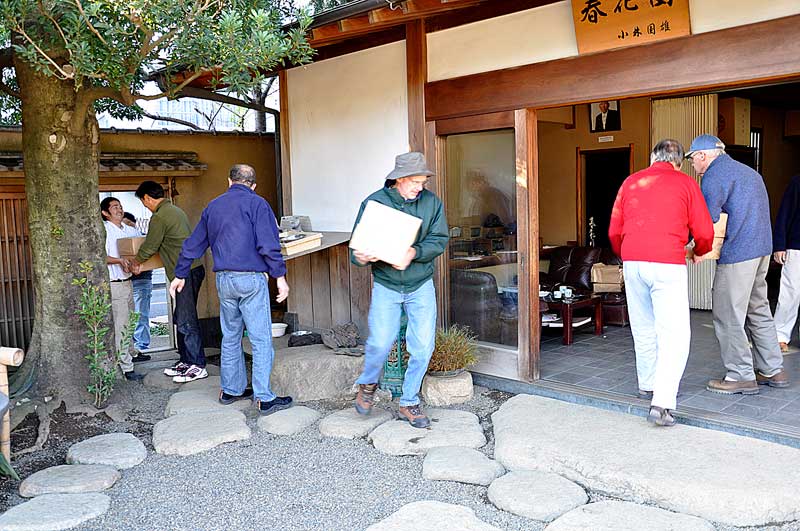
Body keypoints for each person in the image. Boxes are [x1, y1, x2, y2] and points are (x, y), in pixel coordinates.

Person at [170, 165, 292, 416]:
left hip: (224, 280)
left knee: (231, 336)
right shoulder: (258, 205)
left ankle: (231, 390)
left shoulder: (213, 206)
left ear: (229, 181)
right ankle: (264, 397)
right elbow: (269, 245)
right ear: (253, 185)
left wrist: (180, 273)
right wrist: (280, 277)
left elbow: (194, 244)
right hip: (250, 279)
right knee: (260, 339)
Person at [608, 139, 714, 426]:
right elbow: (704, 230)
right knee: (674, 333)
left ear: (653, 157)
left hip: (633, 261)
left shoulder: (631, 182)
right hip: (667, 262)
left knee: (643, 326)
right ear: (678, 161)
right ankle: (663, 403)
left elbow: (614, 229)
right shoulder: (685, 183)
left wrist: (627, 254)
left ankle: (647, 383)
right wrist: (700, 251)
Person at [351, 152, 449, 428]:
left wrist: (414, 251)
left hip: (420, 284)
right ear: (399, 180)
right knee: (380, 343)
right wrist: (362, 256)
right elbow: (355, 252)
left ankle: (408, 402)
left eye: (423, 182)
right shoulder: (375, 203)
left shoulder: (431, 203)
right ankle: (368, 383)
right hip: (387, 284)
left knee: (423, 346)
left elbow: (440, 239)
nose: (420, 187)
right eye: (415, 182)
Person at [689, 134, 789, 394]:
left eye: (692, 159)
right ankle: (772, 369)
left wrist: (693, 246)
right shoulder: (749, 173)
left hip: (738, 253)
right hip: (761, 251)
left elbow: (707, 218)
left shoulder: (714, 175)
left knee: (727, 313)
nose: (692, 165)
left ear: (703, 155)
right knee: (758, 309)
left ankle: (740, 374)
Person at [133, 181, 207, 383]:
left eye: (143, 202)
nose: (145, 206)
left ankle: (197, 365)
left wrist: (136, 262)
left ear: (147, 198)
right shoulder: (175, 210)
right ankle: (186, 360)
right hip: (191, 269)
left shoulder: (160, 217)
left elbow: (150, 245)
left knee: (186, 319)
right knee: (181, 316)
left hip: (184, 273)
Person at [100, 197, 145, 381]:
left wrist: (137, 264)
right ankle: (126, 367)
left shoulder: (129, 229)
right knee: (121, 325)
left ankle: (132, 352)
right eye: (114, 207)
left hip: (127, 281)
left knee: (132, 319)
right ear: (105, 213)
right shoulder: (104, 229)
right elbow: (100, 256)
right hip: (114, 283)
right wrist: (119, 261)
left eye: (120, 206)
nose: (119, 209)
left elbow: (141, 247)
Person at [772, 175, 800, 353]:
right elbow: (785, 213)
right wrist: (780, 245)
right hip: (797, 245)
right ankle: (780, 335)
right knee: (790, 292)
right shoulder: (797, 182)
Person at [122, 212, 152, 359]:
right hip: (128, 282)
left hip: (142, 281)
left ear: (134, 224)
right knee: (130, 316)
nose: (126, 227)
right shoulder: (121, 241)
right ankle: (134, 346)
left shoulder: (143, 239)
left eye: (128, 223)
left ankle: (142, 345)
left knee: (141, 315)